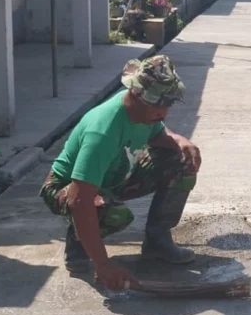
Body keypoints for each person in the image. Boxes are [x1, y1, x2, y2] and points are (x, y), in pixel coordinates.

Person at [40, 55, 201, 290]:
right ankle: (79, 244)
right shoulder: (103, 131)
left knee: (183, 161)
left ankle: (157, 241)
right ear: (136, 95)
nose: (164, 112)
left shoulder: (146, 114)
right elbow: (79, 199)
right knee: (114, 213)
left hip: (117, 176)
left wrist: (180, 140)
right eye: (158, 104)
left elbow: (157, 134)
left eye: (168, 104)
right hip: (66, 188)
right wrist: (103, 264)